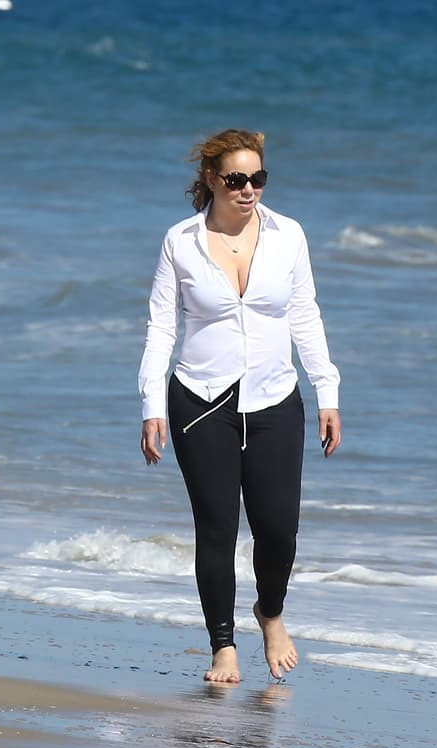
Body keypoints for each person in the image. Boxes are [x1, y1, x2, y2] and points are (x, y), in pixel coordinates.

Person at [138, 129, 342, 684]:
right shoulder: (180, 241)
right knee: (218, 526)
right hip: (200, 399)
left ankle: (270, 612)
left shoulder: (288, 235)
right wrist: (151, 404)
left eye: (258, 178)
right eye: (236, 179)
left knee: (279, 528)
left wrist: (328, 390)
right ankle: (222, 646)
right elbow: (162, 327)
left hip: (275, 396)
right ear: (211, 180)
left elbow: (305, 314)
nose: (249, 189)